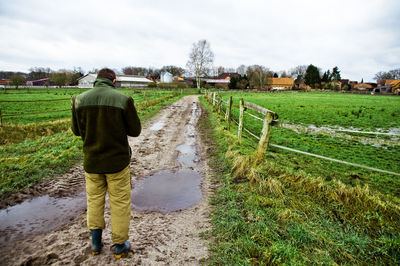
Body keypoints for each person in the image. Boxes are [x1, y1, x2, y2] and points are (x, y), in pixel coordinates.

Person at [71, 68, 141, 258]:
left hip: (92, 162)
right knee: (119, 203)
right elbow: (135, 131)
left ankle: (95, 243)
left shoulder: (79, 100)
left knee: (94, 201)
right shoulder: (123, 100)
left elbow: (76, 131)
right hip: (117, 163)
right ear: (114, 80)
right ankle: (119, 245)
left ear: (96, 80)